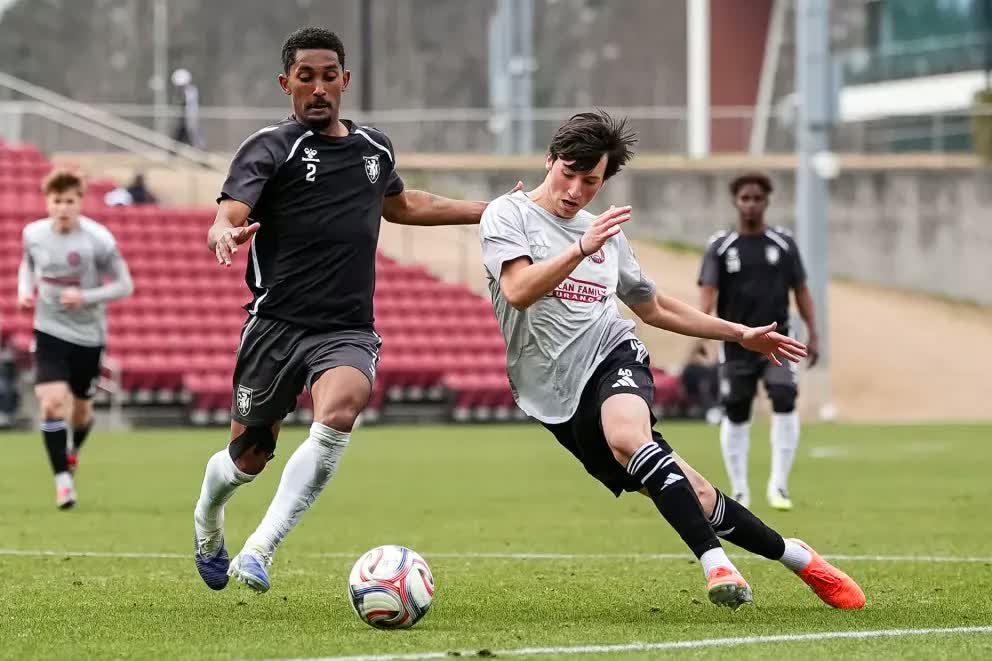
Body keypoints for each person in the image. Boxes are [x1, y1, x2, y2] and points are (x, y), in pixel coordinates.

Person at [479, 111, 862, 610]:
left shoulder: (605, 234)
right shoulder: (507, 215)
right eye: (567, 173)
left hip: (610, 353)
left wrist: (739, 333)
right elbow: (518, 290)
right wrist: (579, 248)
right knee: (697, 495)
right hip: (551, 394)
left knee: (627, 435)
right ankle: (798, 557)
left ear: (604, 180)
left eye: (590, 181)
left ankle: (715, 564)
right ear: (549, 161)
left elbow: (652, 307)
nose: (575, 190)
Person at [192, 27, 519, 593]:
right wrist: (223, 230)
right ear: (285, 83)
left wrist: (491, 211)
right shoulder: (271, 146)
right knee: (248, 458)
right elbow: (230, 208)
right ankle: (206, 520)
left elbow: (404, 204)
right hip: (274, 327)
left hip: (346, 328)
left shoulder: (374, 149)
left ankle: (260, 549)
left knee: (339, 411)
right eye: (305, 77)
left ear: (345, 80)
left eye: (328, 77)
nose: (318, 88)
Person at [698, 172, 819, 511]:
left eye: (757, 198)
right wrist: (702, 333)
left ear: (766, 202)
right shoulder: (721, 246)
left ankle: (778, 485)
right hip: (735, 342)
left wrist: (814, 332)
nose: (750, 204)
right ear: (736, 202)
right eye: (745, 198)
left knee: (783, 396)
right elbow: (707, 293)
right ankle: (740, 490)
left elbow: (802, 291)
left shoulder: (783, 243)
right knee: (736, 410)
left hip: (778, 340)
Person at [17, 169, 135, 509]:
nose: (63, 208)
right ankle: (63, 483)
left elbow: (125, 286)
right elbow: (27, 265)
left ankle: (71, 452)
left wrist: (87, 297)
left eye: (70, 201)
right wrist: (25, 292)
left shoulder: (98, 240)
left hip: (88, 335)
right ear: (47, 202)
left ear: (80, 202)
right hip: (49, 329)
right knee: (52, 403)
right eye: (57, 201)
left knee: (82, 411)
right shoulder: (33, 234)